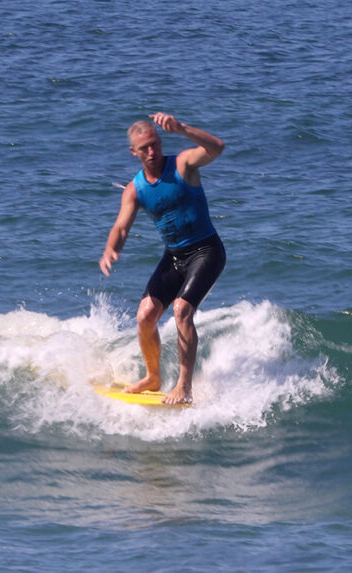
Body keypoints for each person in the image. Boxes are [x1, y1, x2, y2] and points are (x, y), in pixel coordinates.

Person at [99, 112, 226, 404]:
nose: (153, 152)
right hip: (174, 257)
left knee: (182, 310)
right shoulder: (135, 190)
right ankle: (153, 376)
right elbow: (121, 226)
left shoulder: (182, 165)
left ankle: (184, 386)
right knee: (145, 316)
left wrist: (181, 128)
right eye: (145, 148)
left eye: (155, 144)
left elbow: (216, 147)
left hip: (207, 250)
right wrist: (110, 249)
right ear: (134, 152)